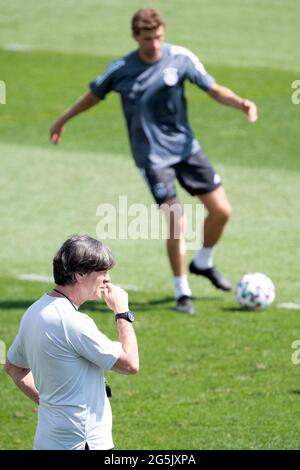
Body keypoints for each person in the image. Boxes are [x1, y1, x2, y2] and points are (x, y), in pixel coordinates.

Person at [50, 8, 257, 314]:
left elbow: (213, 89)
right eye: (148, 38)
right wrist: (63, 119)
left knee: (222, 211)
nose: (155, 44)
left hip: (186, 149)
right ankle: (182, 292)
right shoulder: (121, 68)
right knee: (177, 220)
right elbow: (92, 96)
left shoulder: (181, 58)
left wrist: (240, 103)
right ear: (136, 37)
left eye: (159, 37)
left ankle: (203, 262)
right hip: (152, 157)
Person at [4, 235, 139, 450]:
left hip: (47, 441)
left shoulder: (34, 311)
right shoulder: (73, 322)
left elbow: (13, 367)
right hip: (83, 443)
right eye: (102, 272)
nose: (107, 280)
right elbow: (130, 364)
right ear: (80, 275)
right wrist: (122, 312)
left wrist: (50, 404)